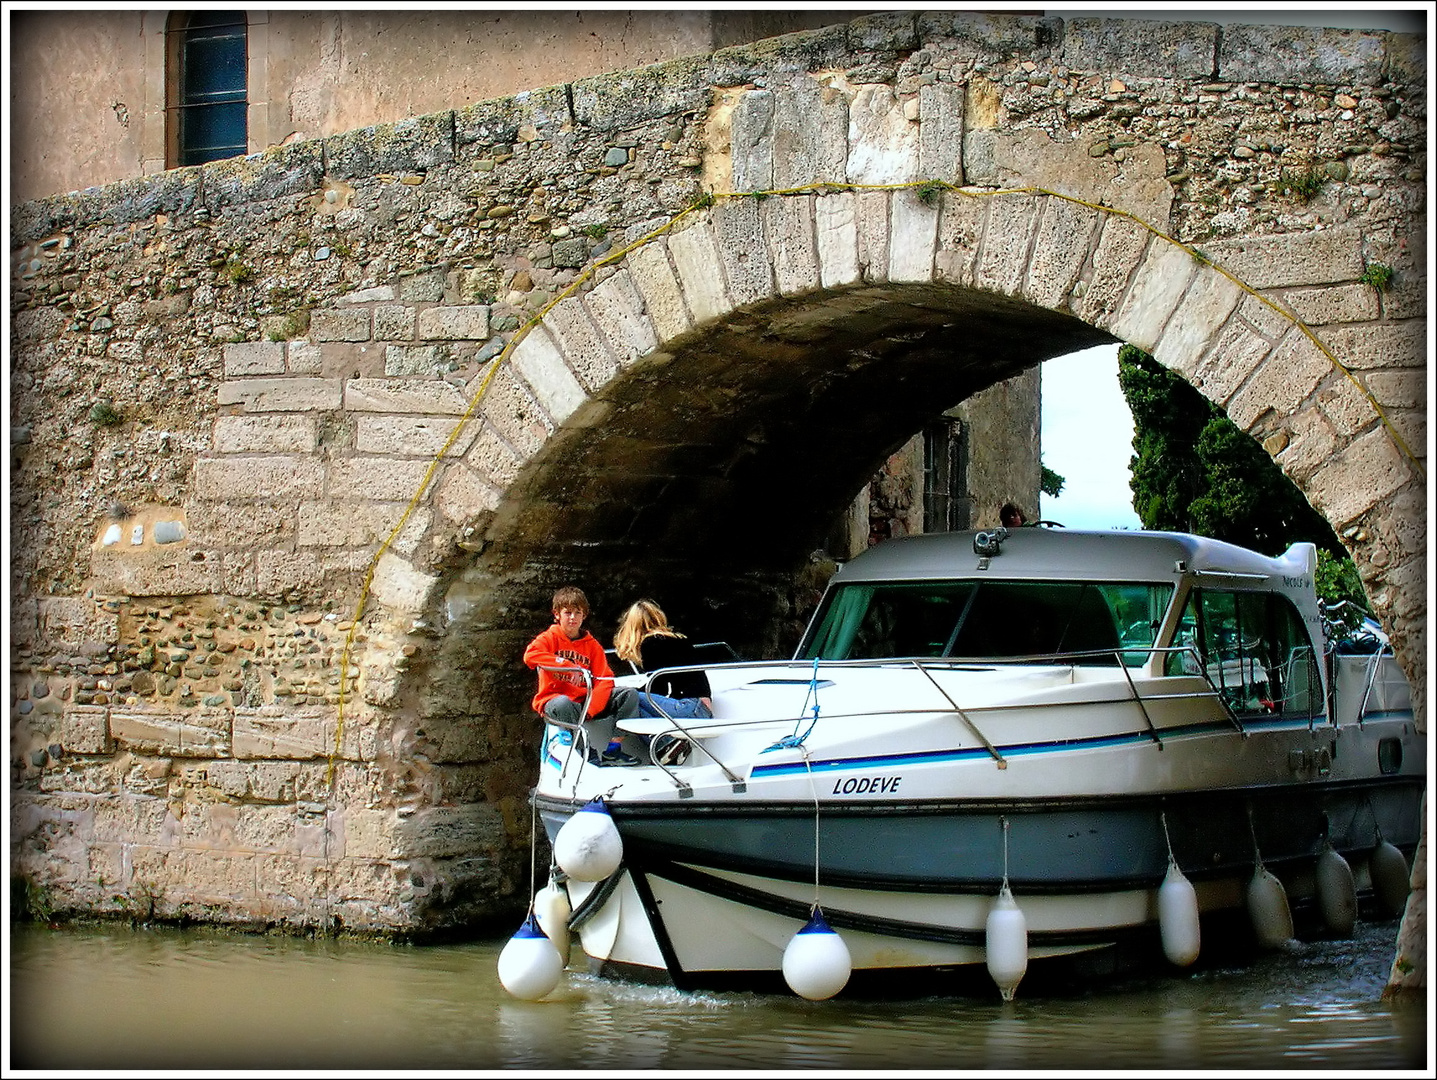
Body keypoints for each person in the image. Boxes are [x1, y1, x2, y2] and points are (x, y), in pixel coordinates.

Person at [523, 585, 644, 766]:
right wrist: (565, 665)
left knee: (629, 695)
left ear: (584, 615)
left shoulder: (592, 645)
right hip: (556, 701)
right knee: (563, 703)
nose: (573, 618)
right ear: (557, 614)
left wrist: (591, 708)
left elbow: (604, 679)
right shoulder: (548, 639)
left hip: (585, 702)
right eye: (568, 613)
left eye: (577, 613)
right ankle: (584, 750)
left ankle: (614, 749)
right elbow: (530, 656)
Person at [614, 599, 714, 721]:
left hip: (688, 707)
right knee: (635, 706)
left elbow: (658, 688)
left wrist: (627, 690)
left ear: (632, 626)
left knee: (627, 698)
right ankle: (671, 741)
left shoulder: (651, 643)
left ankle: (665, 740)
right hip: (704, 709)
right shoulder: (679, 639)